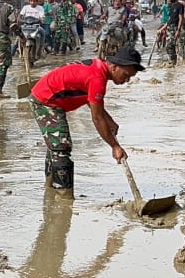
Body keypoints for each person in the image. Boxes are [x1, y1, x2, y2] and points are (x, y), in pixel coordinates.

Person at [29, 45, 144, 195]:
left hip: (50, 98)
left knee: (56, 146)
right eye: (126, 75)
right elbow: (96, 118)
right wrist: (115, 146)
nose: (126, 80)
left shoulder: (98, 68)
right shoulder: (97, 78)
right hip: (45, 100)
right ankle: (63, 197)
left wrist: (110, 121)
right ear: (114, 67)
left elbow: (92, 102)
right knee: (61, 147)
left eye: (130, 77)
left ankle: (50, 189)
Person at [163, 0, 185, 66]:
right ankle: (173, 61)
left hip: (175, 28)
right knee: (169, 45)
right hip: (170, 27)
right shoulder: (171, 7)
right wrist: (163, 28)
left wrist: (178, 30)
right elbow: (170, 19)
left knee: (173, 45)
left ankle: (176, 61)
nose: (168, 2)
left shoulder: (179, 6)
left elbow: (181, 18)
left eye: (169, 1)